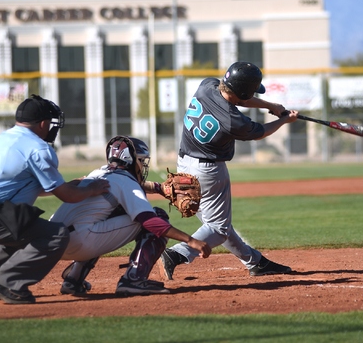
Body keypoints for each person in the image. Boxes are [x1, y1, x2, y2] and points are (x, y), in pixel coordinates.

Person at [0, 95, 111, 304]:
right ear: (43, 123)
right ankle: (6, 283)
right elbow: (68, 197)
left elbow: (29, 185)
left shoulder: (2, 138)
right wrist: (91, 188)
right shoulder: (39, 148)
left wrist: (68, 184)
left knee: (21, 227)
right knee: (56, 235)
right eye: (51, 123)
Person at [158, 61, 299, 281]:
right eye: (251, 91)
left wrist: (268, 105)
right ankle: (176, 254)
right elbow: (261, 131)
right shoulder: (233, 121)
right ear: (243, 92)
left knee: (217, 223)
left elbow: (237, 95)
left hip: (184, 163)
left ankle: (255, 262)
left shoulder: (207, 86)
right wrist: (285, 120)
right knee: (218, 229)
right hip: (209, 172)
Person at [50, 135, 211, 296]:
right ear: (131, 159)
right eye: (141, 160)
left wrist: (158, 188)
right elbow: (150, 221)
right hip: (81, 243)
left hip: (54, 243)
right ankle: (134, 279)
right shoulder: (126, 181)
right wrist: (191, 240)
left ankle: (73, 280)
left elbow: (130, 186)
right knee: (157, 216)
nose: (143, 165)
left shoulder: (98, 173)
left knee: (103, 216)